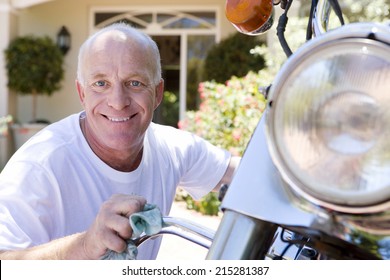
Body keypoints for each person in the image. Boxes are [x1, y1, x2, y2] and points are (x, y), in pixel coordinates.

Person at [0, 23, 240, 260]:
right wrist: (84, 246)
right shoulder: (38, 165)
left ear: (157, 93)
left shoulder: (169, 147)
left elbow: (246, 174)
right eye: (101, 84)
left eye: (134, 83)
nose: (117, 101)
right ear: (82, 93)